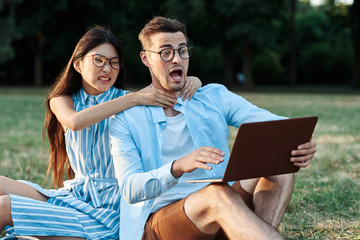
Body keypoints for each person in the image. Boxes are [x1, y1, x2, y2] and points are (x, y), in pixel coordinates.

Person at [109, 16, 317, 240]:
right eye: (166, 52)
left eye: (182, 50)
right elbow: (130, 189)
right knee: (216, 195)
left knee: (279, 166)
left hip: (225, 203)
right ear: (146, 58)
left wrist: (300, 141)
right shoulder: (126, 117)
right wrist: (177, 167)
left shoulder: (214, 96)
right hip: (162, 223)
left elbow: (272, 123)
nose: (177, 59)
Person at [0, 25, 201, 240]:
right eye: (99, 60)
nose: (107, 69)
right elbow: (75, 122)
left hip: (111, 206)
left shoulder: (130, 99)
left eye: (114, 63)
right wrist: (134, 98)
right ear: (78, 64)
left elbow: (170, 89)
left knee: (4, 206)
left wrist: (193, 81)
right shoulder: (66, 99)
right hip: (76, 195)